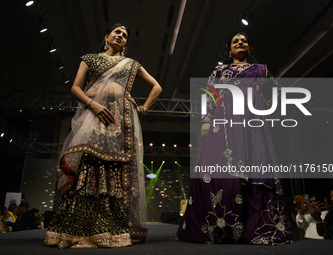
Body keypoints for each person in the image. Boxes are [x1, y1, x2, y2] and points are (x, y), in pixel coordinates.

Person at [44, 23, 162, 249]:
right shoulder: (89, 58)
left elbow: (156, 87)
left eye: (125, 35)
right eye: (117, 32)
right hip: (93, 116)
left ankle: (113, 228)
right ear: (106, 36)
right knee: (88, 161)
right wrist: (94, 105)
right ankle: (79, 228)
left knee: (115, 168)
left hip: (121, 120)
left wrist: (144, 108)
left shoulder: (131, 64)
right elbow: (76, 88)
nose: (121, 36)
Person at [176, 32, 294, 244]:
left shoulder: (261, 70)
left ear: (249, 47)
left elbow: (277, 92)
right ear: (229, 49)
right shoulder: (220, 70)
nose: (240, 43)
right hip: (225, 122)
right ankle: (225, 227)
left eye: (244, 41)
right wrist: (206, 120)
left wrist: (265, 107)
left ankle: (254, 226)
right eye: (235, 41)